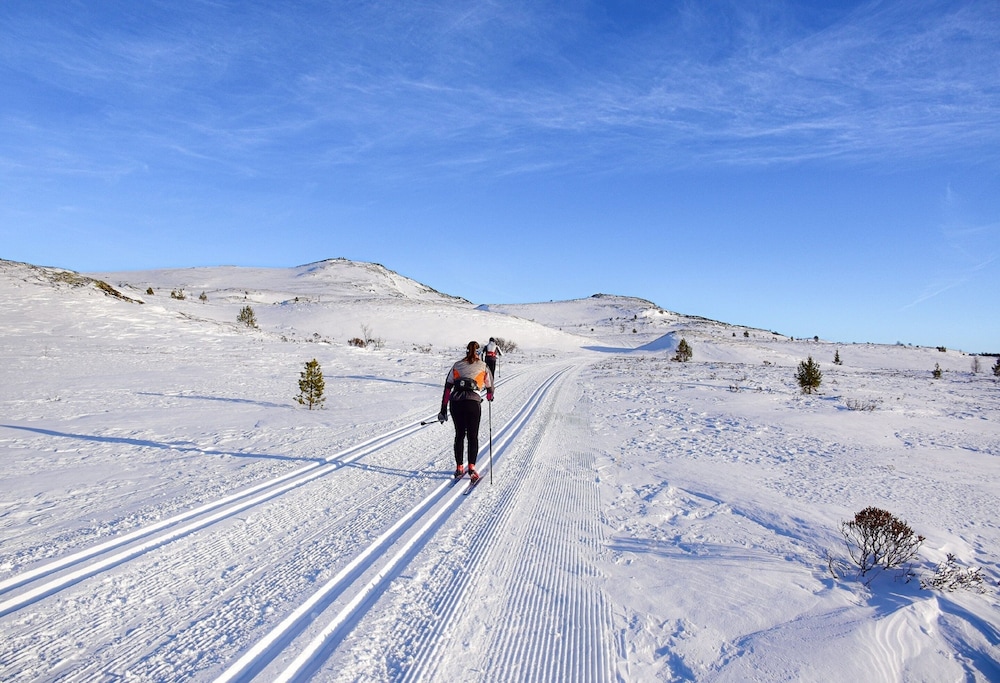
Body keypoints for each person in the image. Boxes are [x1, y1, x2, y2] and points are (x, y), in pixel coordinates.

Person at [438, 341, 494, 482]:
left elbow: (447, 387)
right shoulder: (483, 366)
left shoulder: (456, 365)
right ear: (479, 353)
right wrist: (489, 396)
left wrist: (443, 409)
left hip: (456, 403)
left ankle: (459, 468)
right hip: (472, 403)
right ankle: (472, 467)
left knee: (459, 435)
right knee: (472, 436)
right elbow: (490, 387)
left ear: (466, 351)